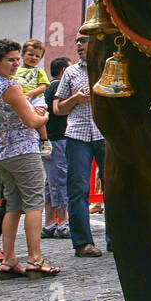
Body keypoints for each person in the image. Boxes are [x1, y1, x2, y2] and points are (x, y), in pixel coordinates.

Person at [0, 39, 59, 278]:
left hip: (3, 151)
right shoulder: (10, 87)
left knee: (13, 205)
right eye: (11, 59)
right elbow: (31, 121)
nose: (16, 63)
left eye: (17, 59)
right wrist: (44, 116)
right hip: (23, 150)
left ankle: (8, 260)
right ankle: (35, 259)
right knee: (34, 203)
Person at [53, 35, 108, 257]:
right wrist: (75, 98)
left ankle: (116, 240)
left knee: (112, 188)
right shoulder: (71, 73)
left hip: (105, 132)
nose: (78, 45)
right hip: (78, 134)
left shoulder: (109, 67)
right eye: (77, 41)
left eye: (84, 40)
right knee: (78, 189)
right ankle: (83, 242)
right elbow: (58, 109)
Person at [41, 56, 72, 238]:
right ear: (63, 71)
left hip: (52, 139)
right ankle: (63, 222)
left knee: (51, 182)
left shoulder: (50, 87)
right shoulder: (57, 86)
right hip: (57, 139)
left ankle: (49, 223)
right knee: (60, 179)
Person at [13, 39, 52, 157]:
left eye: (37, 56)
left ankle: (44, 139)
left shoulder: (39, 71)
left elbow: (43, 86)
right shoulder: (16, 70)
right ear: (23, 55)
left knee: (39, 116)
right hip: (21, 97)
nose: (33, 58)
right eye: (30, 54)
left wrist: (31, 94)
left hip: (36, 98)